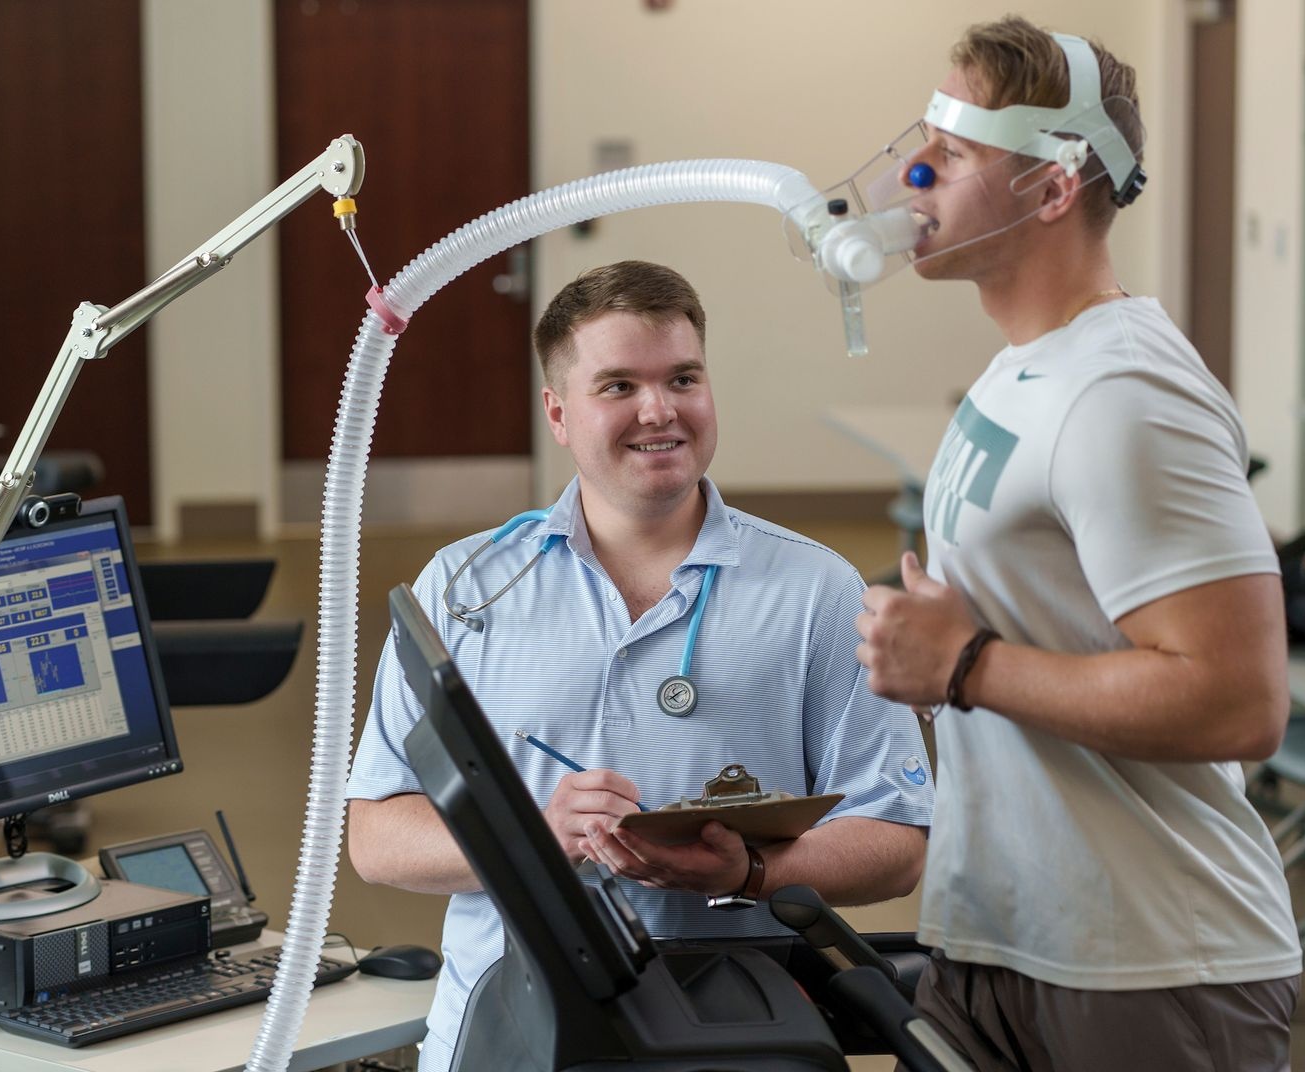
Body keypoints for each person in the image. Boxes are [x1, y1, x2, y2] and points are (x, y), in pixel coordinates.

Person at [348, 259, 933, 1072]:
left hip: (731, 1034)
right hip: (511, 1031)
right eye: (617, 385)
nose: (659, 411)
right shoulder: (467, 587)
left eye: (682, 378)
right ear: (559, 412)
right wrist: (536, 840)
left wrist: (755, 868)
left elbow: (898, 839)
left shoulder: (815, 591)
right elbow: (377, 837)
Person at [853, 17, 1301, 1071]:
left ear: (1052, 188)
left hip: (1147, 964)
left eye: (951, 154)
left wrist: (967, 664)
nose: (910, 172)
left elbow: (1240, 700)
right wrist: (937, 657)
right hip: (1009, 939)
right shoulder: (1025, 366)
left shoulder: (1122, 391)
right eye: (921, 139)